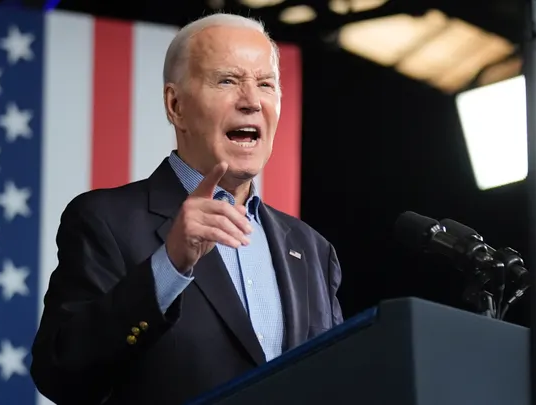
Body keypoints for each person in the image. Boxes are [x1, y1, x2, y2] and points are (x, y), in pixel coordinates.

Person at [30, 12, 344, 405]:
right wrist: (169, 267)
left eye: (266, 84)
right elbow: (62, 375)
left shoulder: (312, 249)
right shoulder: (104, 221)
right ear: (175, 105)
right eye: (228, 80)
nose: (251, 101)